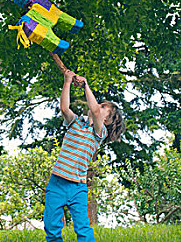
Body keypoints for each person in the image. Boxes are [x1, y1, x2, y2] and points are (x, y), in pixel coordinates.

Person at [43, 69, 125, 242]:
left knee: (82, 228)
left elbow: (94, 111)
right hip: (56, 182)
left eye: (103, 107)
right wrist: (67, 82)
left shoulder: (99, 132)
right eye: (100, 104)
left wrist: (86, 85)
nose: (97, 107)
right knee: (51, 228)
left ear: (106, 122)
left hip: (77, 188)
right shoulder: (77, 122)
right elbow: (64, 108)